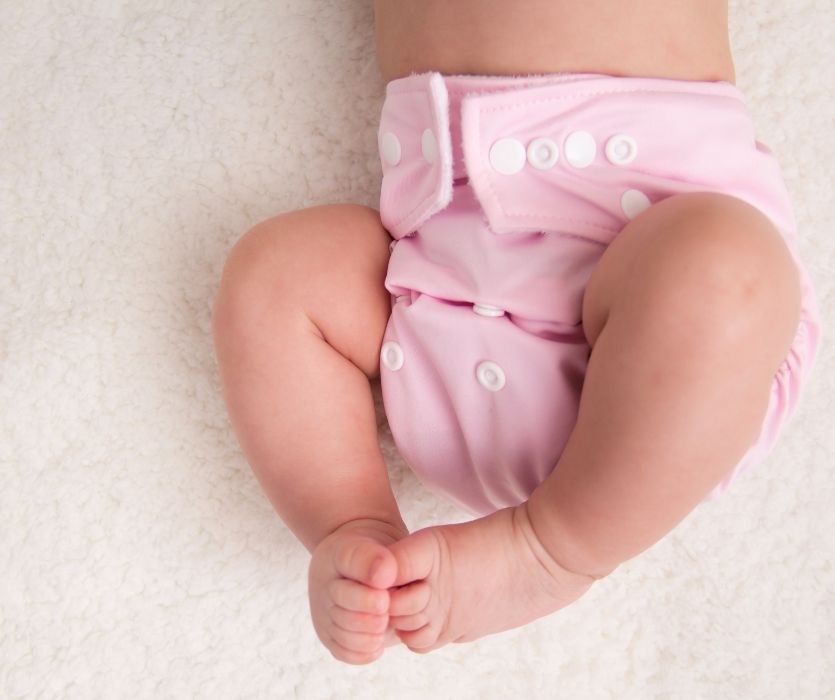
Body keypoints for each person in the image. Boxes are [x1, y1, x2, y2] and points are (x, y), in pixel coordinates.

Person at [211, 1, 821, 665]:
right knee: (276, 272)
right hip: (434, 288)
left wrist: (552, 544)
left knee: (724, 266)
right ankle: (356, 528)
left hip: (667, 331)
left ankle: (553, 551)